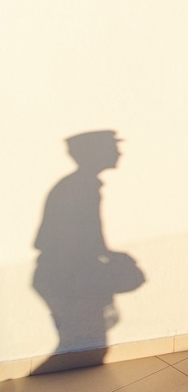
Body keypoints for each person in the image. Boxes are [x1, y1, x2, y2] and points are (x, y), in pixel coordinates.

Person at [33, 130, 143, 373]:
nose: (119, 152)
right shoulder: (80, 189)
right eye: (112, 146)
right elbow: (78, 243)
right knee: (84, 346)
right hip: (68, 277)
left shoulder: (80, 186)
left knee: (82, 345)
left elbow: (87, 240)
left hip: (64, 275)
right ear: (96, 153)